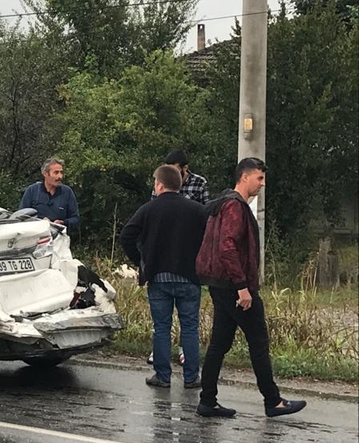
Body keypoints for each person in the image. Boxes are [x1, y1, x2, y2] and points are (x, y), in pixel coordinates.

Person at [195, 158, 306, 418]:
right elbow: (227, 247)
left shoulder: (224, 203)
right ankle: (273, 401)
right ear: (244, 177)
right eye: (259, 178)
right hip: (235, 286)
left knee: (219, 344)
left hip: (220, 284)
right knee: (258, 341)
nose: (262, 184)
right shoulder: (234, 206)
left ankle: (207, 401)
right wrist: (243, 287)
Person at [120, 165, 207, 389]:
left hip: (158, 277)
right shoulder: (197, 210)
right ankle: (191, 377)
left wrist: (140, 260)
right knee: (189, 327)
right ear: (179, 184)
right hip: (189, 276)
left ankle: (162, 375)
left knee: (161, 327)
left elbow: (127, 235)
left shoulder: (149, 209)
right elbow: (209, 238)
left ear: (159, 184)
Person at [147, 149, 210, 366]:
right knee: (166, 325)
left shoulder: (199, 184)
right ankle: (168, 365)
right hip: (165, 252)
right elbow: (152, 212)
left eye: (176, 169)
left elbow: (206, 216)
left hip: (186, 254)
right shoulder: (160, 183)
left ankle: (181, 361)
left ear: (185, 169)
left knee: (186, 325)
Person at [19, 157, 80, 229]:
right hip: (36, 236)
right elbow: (21, 217)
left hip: (59, 237)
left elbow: (76, 219)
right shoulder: (32, 191)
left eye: (61, 172)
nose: (60, 176)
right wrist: (40, 222)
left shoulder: (67, 192)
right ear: (45, 174)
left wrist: (63, 222)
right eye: (56, 172)